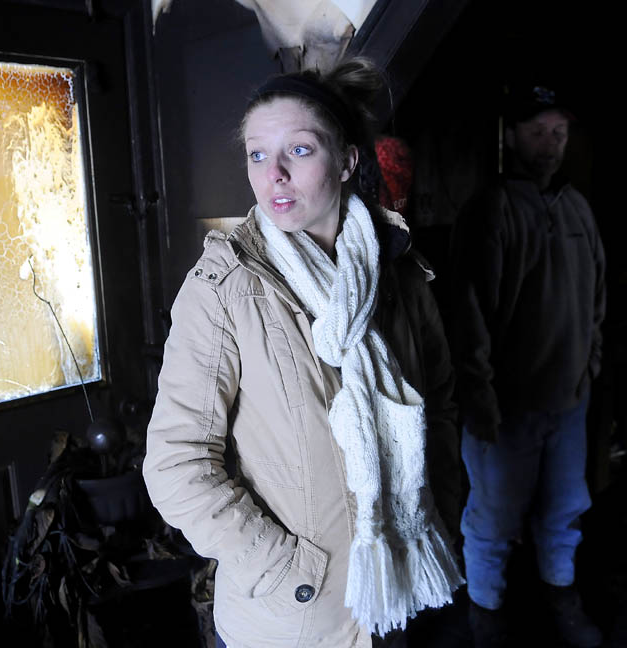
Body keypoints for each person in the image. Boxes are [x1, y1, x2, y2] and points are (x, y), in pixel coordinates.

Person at [142, 56, 464, 648]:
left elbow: (439, 403)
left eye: (301, 151)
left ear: (346, 161)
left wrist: (438, 508)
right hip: (295, 619)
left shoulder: (397, 271)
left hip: (407, 591)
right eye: (258, 154)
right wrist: (290, 573)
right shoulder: (226, 287)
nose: (275, 175)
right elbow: (177, 464)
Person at [449, 84, 606, 648]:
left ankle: (561, 599)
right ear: (511, 136)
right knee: (492, 521)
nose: (549, 144)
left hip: (568, 403)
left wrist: (588, 368)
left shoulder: (577, 208)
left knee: (564, 511)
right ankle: (486, 618)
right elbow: (468, 318)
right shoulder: (490, 210)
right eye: (537, 132)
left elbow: (596, 301)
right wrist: (481, 402)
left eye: (558, 132)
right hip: (505, 409)